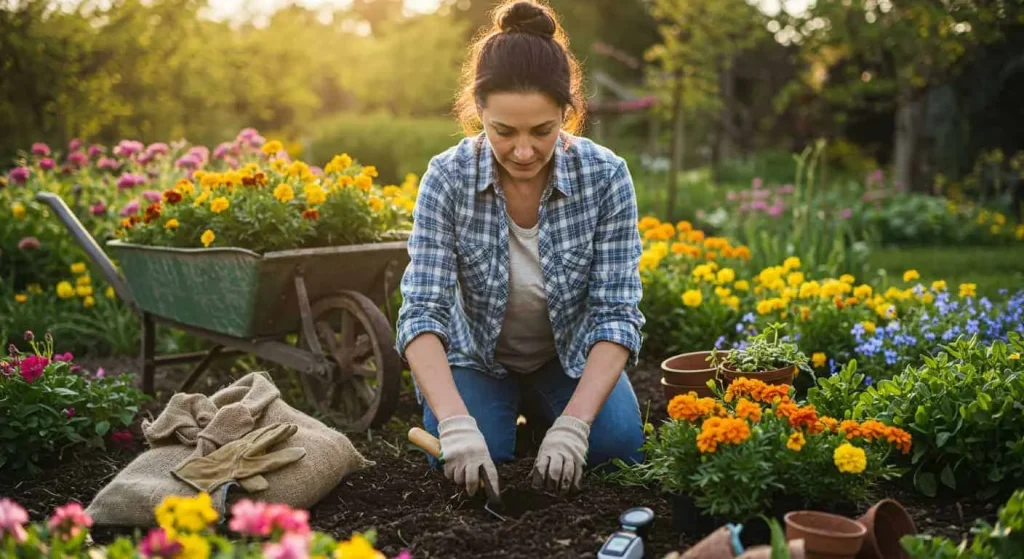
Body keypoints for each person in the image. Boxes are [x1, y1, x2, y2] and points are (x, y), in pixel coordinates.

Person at [394, 0, 645, 500]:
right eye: (504, 131)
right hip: (477, 358)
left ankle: (553, 416)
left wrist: (576, 424)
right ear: (478, 112)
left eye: (543, 131)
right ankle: (496, 414)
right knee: (466, 465)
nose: (524, 151)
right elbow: (422, 314)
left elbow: (617, 314)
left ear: (566, 115)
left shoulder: (606, 176)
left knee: (616, 450)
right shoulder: (447, 178)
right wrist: (455, 422)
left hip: (567, 355)